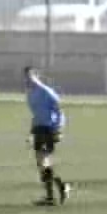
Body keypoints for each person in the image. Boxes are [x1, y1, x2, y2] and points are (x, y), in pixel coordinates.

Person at [24, 66, 71, 206]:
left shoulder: (46, 91)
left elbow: (59, 110)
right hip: (38, 129)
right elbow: (36, 115)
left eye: (30, 76)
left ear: (36, 76)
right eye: (25, 77)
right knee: (42, 164)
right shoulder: (30, 94)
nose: (27, 79)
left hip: (49, 129)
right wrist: (31, 133)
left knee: (43, 162)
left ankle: (61, 186)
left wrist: (59, 129)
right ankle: (51, 196)